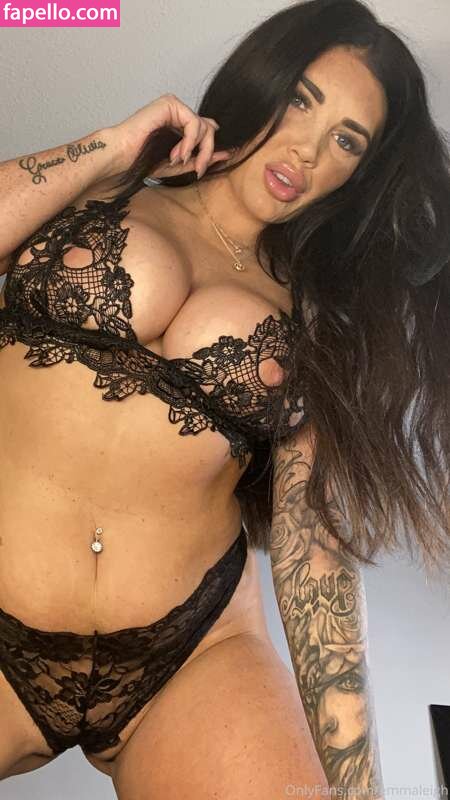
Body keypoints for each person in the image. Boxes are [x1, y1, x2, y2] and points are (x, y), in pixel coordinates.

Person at [0, 0, 449, 796]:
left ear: (360, 172)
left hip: (191, 656)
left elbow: (314, 547)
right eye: (303, 100)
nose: (309, 149)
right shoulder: (102, 197)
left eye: (347, 140)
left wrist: (358, 786)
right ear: (263, 80)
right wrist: (110, 148)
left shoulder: (318, 317)